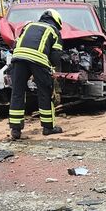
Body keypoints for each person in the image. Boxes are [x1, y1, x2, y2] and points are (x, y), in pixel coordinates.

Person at [8, 9, 64, 140]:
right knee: (45, 93)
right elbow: (55, 56)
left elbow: (16, 43)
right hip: (38, 61)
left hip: (18, 59)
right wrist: (52, 70)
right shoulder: (54, 31)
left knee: (17, 93)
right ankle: (48, 127)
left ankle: (15, 130)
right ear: (57, 21)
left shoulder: (28, 26)